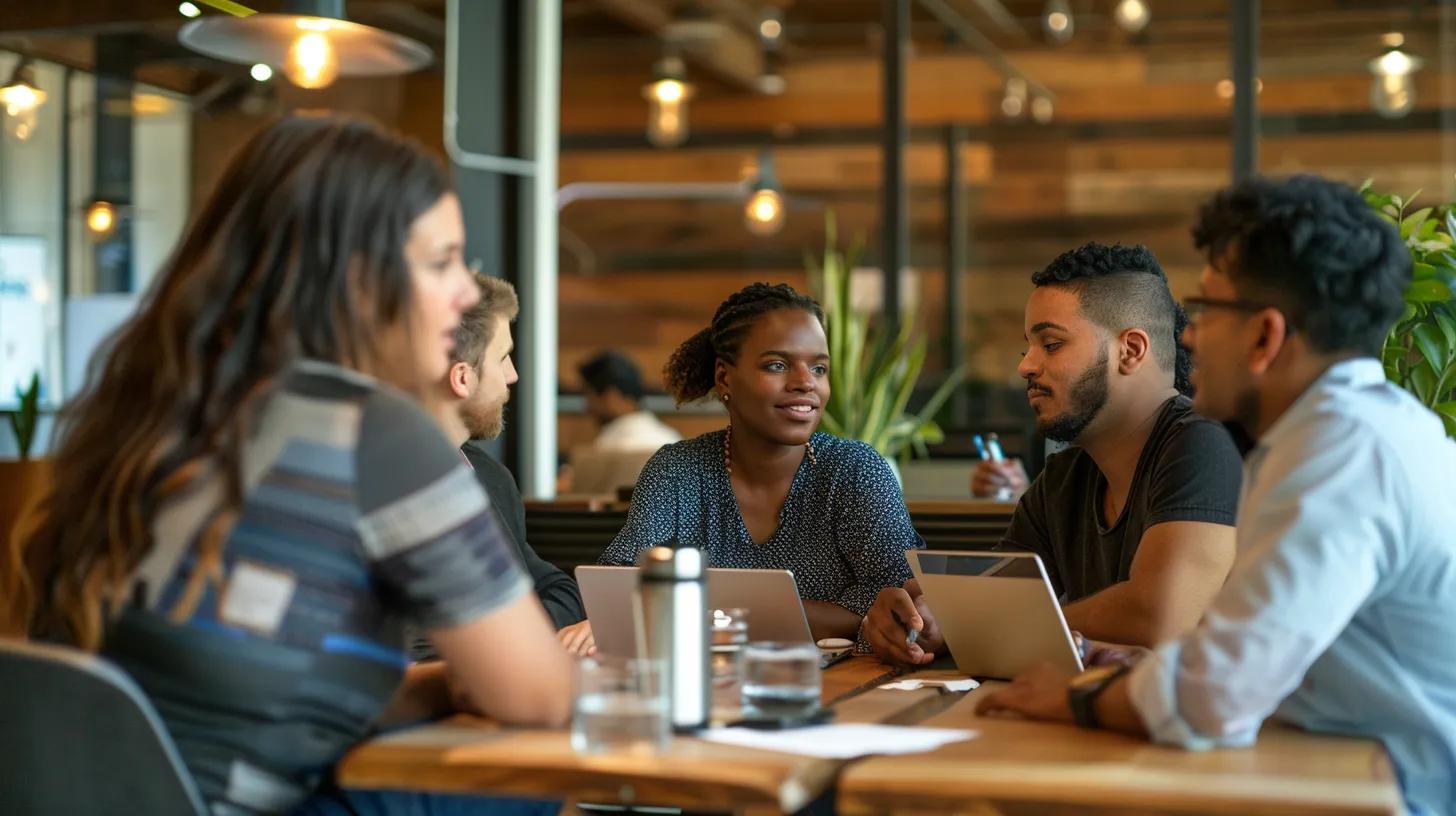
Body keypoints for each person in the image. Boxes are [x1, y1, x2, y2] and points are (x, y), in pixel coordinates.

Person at [0, 116, 570, 816]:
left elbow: (237, 698)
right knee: (528, 784)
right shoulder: (376, 434)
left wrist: (444, 682)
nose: (462, 293)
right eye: (442, 261)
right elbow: (540, 698)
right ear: (360, 278)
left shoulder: (143, 412)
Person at [979, 175, 1456, 816]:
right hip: (1328, 771)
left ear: (1264, 336)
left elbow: (1217, 693)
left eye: (1207, 310)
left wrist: (1073, 697)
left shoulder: (1339, 454)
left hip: (1394, 793)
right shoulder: (1342, 433)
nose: (1191, 335)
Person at [865, 243, 1244, 664]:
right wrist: (923, 618)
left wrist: (997, 624)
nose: (1025, 366)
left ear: (1131, 350)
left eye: (1051, 344)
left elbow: (1160, 615)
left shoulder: (1203, 443)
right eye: (1028, 346)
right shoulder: (1065, 476)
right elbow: (988, 598)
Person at [565, 283, 924, 654]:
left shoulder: (854, 471)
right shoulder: (678, 470)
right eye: (777, 365)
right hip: (705, 682)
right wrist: (840, 616)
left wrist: (704, 613)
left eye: (819, 367)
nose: (805, 382)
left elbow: (902, 606)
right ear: (724, 378)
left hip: (848, 685)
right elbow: (620, 584)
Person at [435, 273, 586, 632]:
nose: (513, 375)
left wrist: (516, 640)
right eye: (503, 357)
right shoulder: (384, 483)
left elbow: (561, 589)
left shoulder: (489, 475)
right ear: (462, 378)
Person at [578, 350, 682, 452]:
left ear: (611, 396)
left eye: (589, 396)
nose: (587, 407)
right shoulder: (671, 438)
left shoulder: (609, 448)